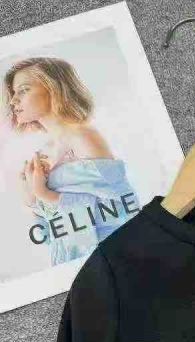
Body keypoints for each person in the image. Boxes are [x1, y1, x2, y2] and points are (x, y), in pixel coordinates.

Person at [3, 56, 140, 265]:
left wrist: (45, 194)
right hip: (69, 262)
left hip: (110, 260)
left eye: (23, 90)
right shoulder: (45, 150)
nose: (13, 101)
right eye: (13, 93)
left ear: (54, 88)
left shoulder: (83, 137)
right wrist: (31, 198)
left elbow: (124, 209)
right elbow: (52, 235)